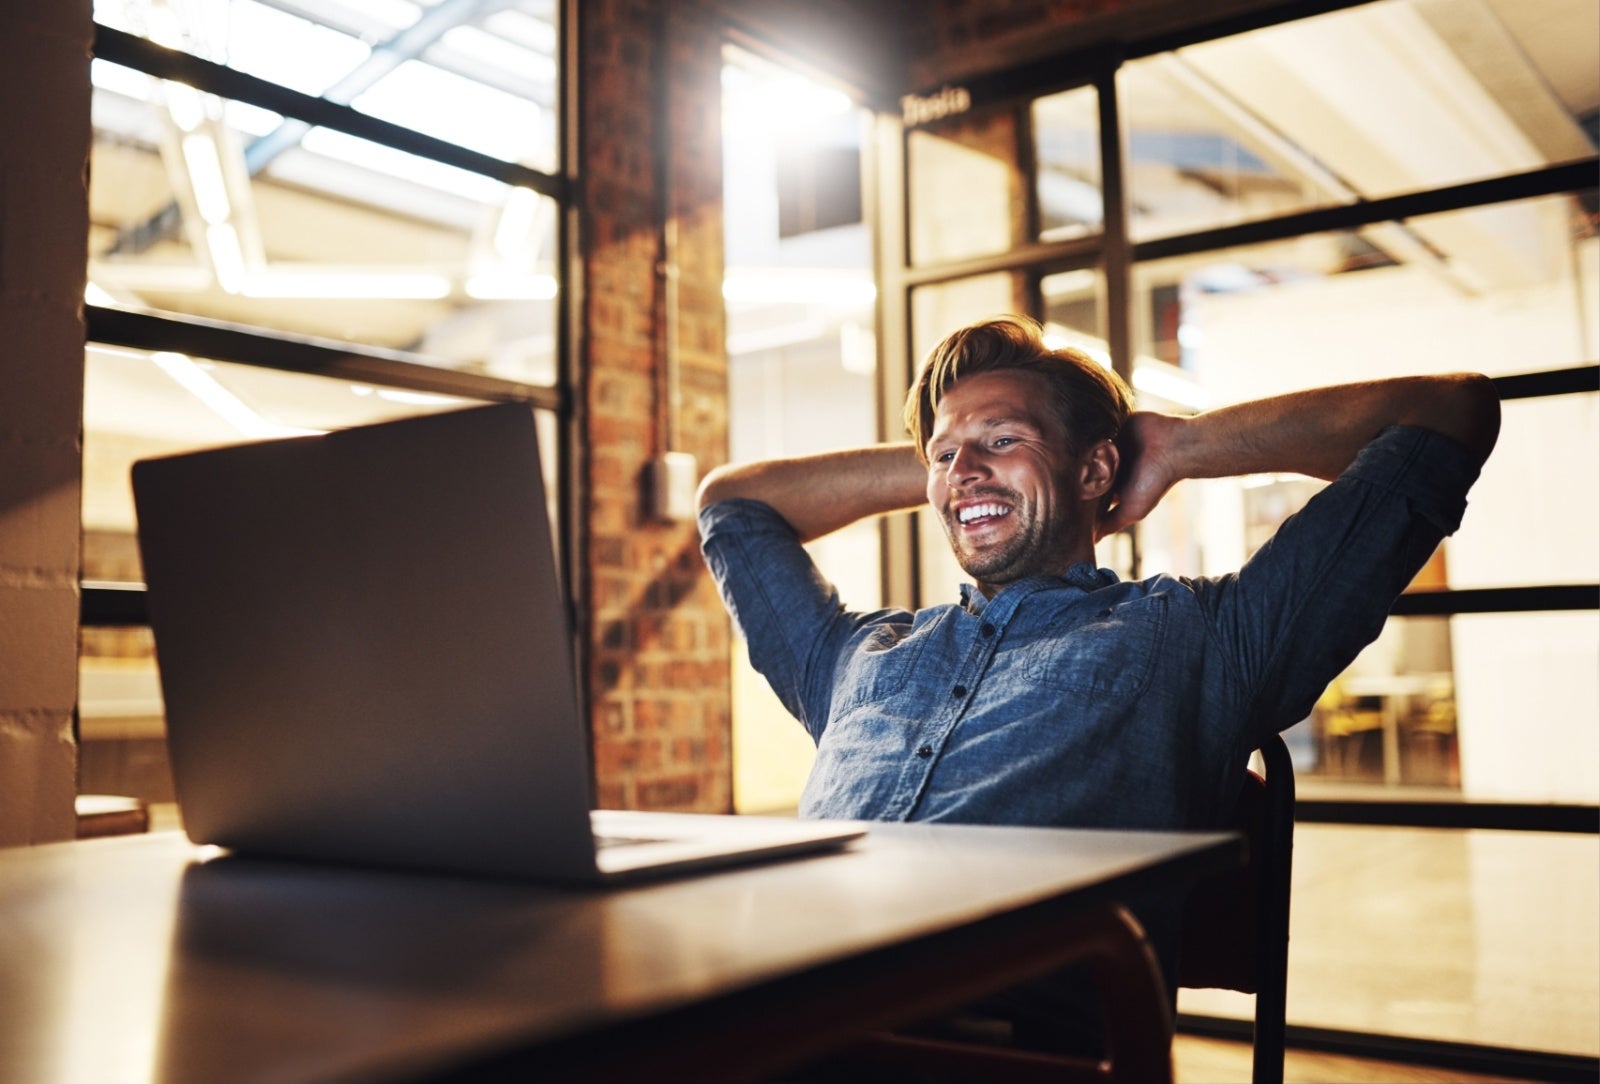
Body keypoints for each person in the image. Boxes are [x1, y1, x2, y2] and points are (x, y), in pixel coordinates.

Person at [695, 314, 1499, 1051]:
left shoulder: (1201, 637)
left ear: (1096, 469)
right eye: (942, 455)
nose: (961, 470)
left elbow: (1446, 414)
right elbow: (732, 506)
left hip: (991, 1050)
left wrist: (1177, 447)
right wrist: (969, 471)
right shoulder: (860, 653)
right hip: (761, 1017)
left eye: (1002, 437)